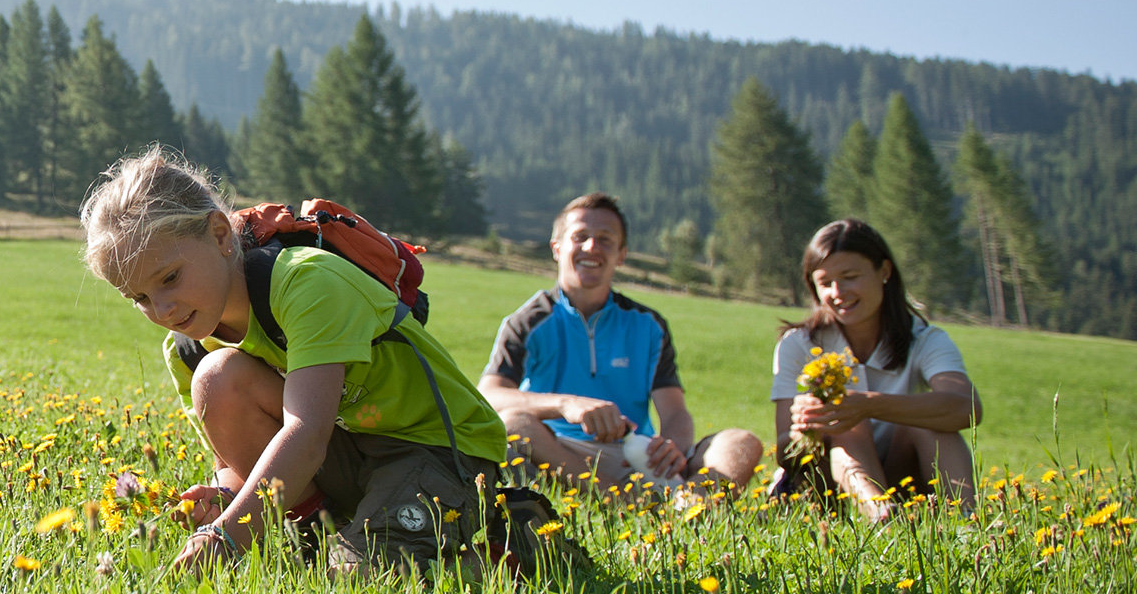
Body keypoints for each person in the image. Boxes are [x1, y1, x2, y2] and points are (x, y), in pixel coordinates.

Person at [79, 148, 510, 574]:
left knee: (352, 578)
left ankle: (510, 556)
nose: (163, 310)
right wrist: (225, 497)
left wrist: (227, 536)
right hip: (348, 452)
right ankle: (321, 538)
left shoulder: (306, 283)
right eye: (139, 298)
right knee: (217, 379)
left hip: (435, 448)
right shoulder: (188, 348)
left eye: (170, 278)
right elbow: (232, 464)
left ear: (219, 235)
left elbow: (307, 432)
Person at [478, 193, 762, 501]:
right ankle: (621, 502)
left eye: (605, 239)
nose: (591, 247)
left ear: (621, 254)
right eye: (580, 237)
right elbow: (489, 396)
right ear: (556, 248)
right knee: (513, 424)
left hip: (635, 455)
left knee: (740, 442)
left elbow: (675, 412)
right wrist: (567, 405)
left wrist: (672, 446)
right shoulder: (526, 322)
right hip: (562, 455)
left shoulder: (648, 325)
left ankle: (694, 506)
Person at [769, 218, 981, 521]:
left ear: (884, 271)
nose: (838, 292)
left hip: (907, 478)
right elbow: (783, 451)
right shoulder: (798, 344)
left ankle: (965, 521)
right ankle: (879, 512)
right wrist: (805, 426)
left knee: (934, 423)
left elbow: (967, 407)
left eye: (850, 276)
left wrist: (869, 404)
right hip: (827, 487)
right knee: (843, 421)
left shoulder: (924, 339)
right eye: (825, 283)